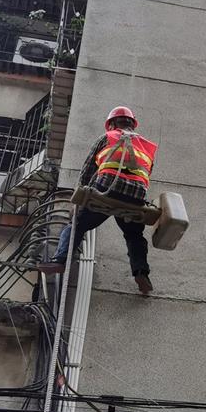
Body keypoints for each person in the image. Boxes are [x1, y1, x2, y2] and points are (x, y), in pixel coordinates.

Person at [39, 106, 157, 295]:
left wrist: (79, 200)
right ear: (132, 124)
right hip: (135, 198)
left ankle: (59, 260)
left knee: (76, 225)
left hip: (105, 191)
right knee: (134, 236)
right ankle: (141, 273)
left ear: (111, 124)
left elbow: (87, 171)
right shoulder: (147, 145)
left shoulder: (107, 137)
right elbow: (146, 174)